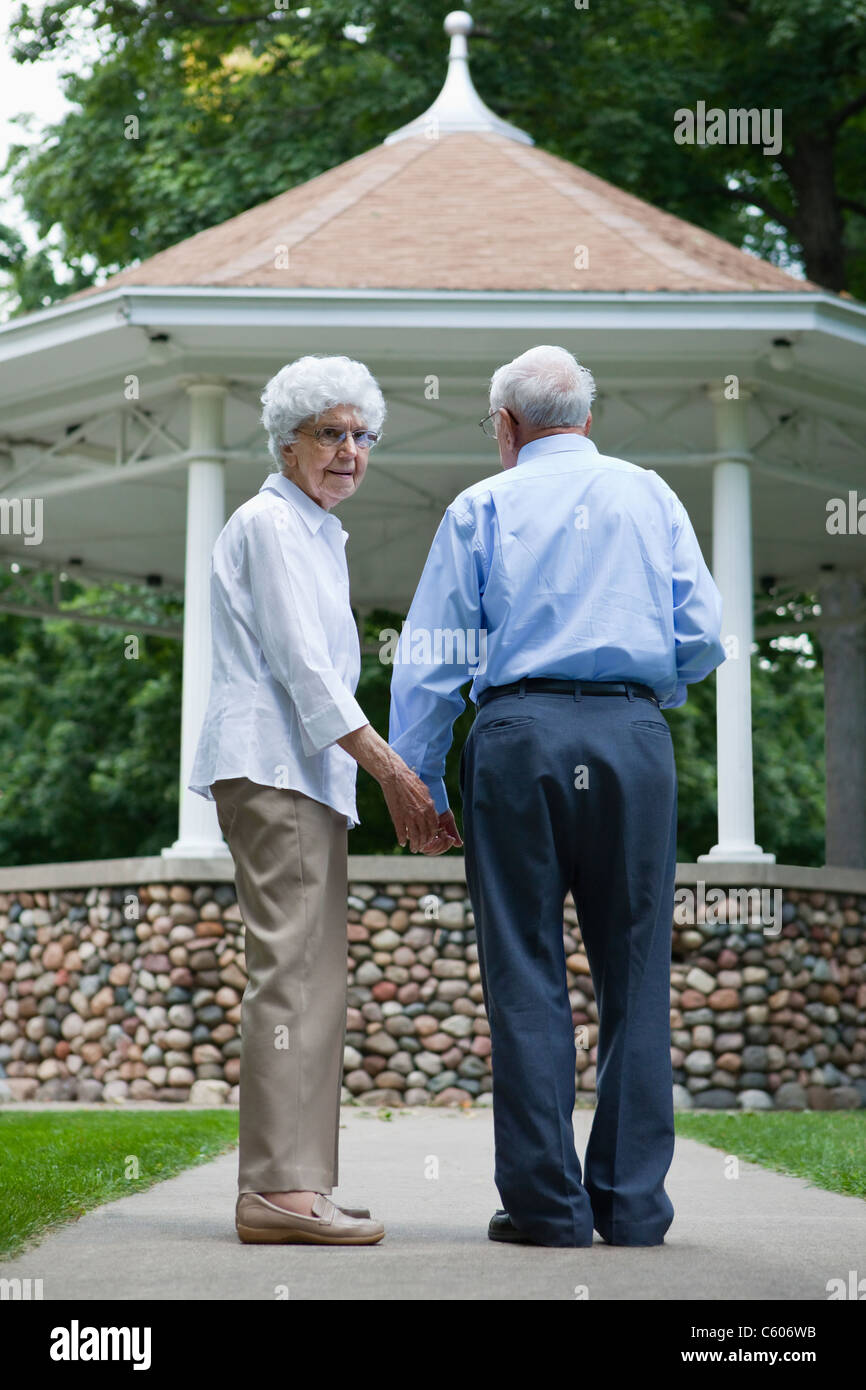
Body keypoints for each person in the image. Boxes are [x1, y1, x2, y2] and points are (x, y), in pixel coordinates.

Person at [390, 344, 726, 1247]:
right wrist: (640, 691)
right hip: (632, 739)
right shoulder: (649, 493)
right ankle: (632, 1206)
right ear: (588, 417)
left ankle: (546, 1208)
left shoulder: (481, 505)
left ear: (506, 427)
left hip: (517, 740)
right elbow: (702, 633)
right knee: (636, 969)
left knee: (526, 974)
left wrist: (417, 781)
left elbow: (434, 656)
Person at [188, 354, 449, 1246]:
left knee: (311, 980)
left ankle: (301, 1184)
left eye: (360, 435)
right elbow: (305, 672)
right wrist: (395, 773)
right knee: (295, 979)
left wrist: (377, 773)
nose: (348, 451)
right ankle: (280, 1194)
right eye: (328, 434)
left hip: (299, 773)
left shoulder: (309, 530)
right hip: (274, 767)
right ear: (287, 443)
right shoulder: (269, 524)